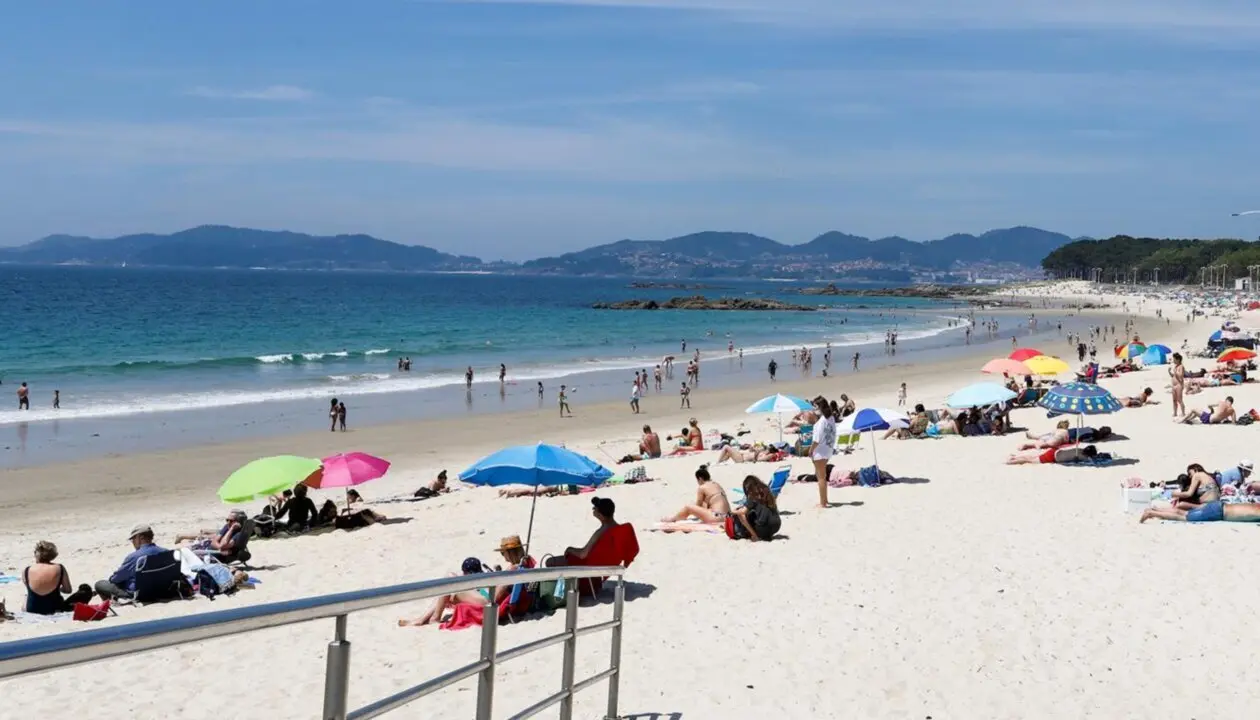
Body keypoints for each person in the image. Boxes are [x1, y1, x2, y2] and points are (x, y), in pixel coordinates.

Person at [94, 524, 167, 601]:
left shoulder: (134, 557)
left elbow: (115, 579)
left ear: (141, 537)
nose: (133, 542)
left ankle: (109, 603)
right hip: (162, 590)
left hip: (140, 594)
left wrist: (113, 578)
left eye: (133, 539)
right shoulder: (166, 552)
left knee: (100, 584)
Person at [23, 541, 93, 615]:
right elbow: (68, 590)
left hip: (32, 609)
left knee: (27, 596)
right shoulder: (59, 568)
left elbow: (33, 589)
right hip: (55, 608)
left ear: (37, 554)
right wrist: (58, 588)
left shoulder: (26, 570)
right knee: (85, 590)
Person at [545, 497, 619, 567]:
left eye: (595, 508)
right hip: (605, 565)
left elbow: (582, 554)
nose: (593, 509)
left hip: (589, 566)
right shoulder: (619, 529)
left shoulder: (601, 532)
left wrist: (570, 549)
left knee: (549, 562)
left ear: (600, 515)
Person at [661, 465, 731, 524]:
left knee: (688, 507)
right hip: (728, 517)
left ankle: (673, 519)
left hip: (716, 517)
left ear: (700, 479)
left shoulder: (702, 487)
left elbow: (698, 505)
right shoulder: (716, 484)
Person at [725, 475, 781, 541]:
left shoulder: (752, 495)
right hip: (776, 525)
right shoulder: (767, 490)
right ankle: (766, 535)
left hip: (764, 528)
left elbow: (743, 512)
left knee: (741, 515)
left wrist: (732, 512)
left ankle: (755, 536)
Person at [173, 510, 248, 557]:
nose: (228, 522)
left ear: (238, 522)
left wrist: (231, 529)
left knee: (183, 551)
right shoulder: (227, 526)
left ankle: (181, 537)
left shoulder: (238, 534)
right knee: (181, 549)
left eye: (231, 521)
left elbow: (223, 545)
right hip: (208, 547)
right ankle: (181, 538)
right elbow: (215, 542)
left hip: (210, 553)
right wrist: (219, 547)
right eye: (227, 520)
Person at [810, 398, 838, 508]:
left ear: (820, 407)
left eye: (815, 406)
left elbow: (816, 440)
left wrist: (811, 450)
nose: (814, 409)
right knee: (823, 476)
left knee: (821, 477)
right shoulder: (831, 418)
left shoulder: (822, 421)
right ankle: (825, 500)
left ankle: (823, 503)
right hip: (828, 449)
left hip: (820, 451)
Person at [1140, 501, 1260, 524]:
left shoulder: (1256, 505)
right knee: (1184, 517)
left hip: (1218, 504)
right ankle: (1152, 514)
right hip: (1218, 512)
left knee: (1183, 512)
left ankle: (1156, 510)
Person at [1005, 444, 1099, 465]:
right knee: (1029, 461)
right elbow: (1092, 461)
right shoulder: (1083, 457)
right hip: (1052, 457)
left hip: (1055, 451)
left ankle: (1014, 457)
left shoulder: (1079, 449)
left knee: (1032, 457)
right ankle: (1010, 462)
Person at [1170, 353, 1186, 418]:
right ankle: (1175, 413)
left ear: (1178, 359)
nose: (1173, 360)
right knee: (1174, 400)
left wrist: (1175, 372)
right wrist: (1169, 372)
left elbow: (1181, 376)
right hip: (1174, 385)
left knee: (1180, 400)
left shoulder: (1181, 366)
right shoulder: (1175, 367)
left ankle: (1183, 413)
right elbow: (1173, 376)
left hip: (1179, 385)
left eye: (1174, 359)